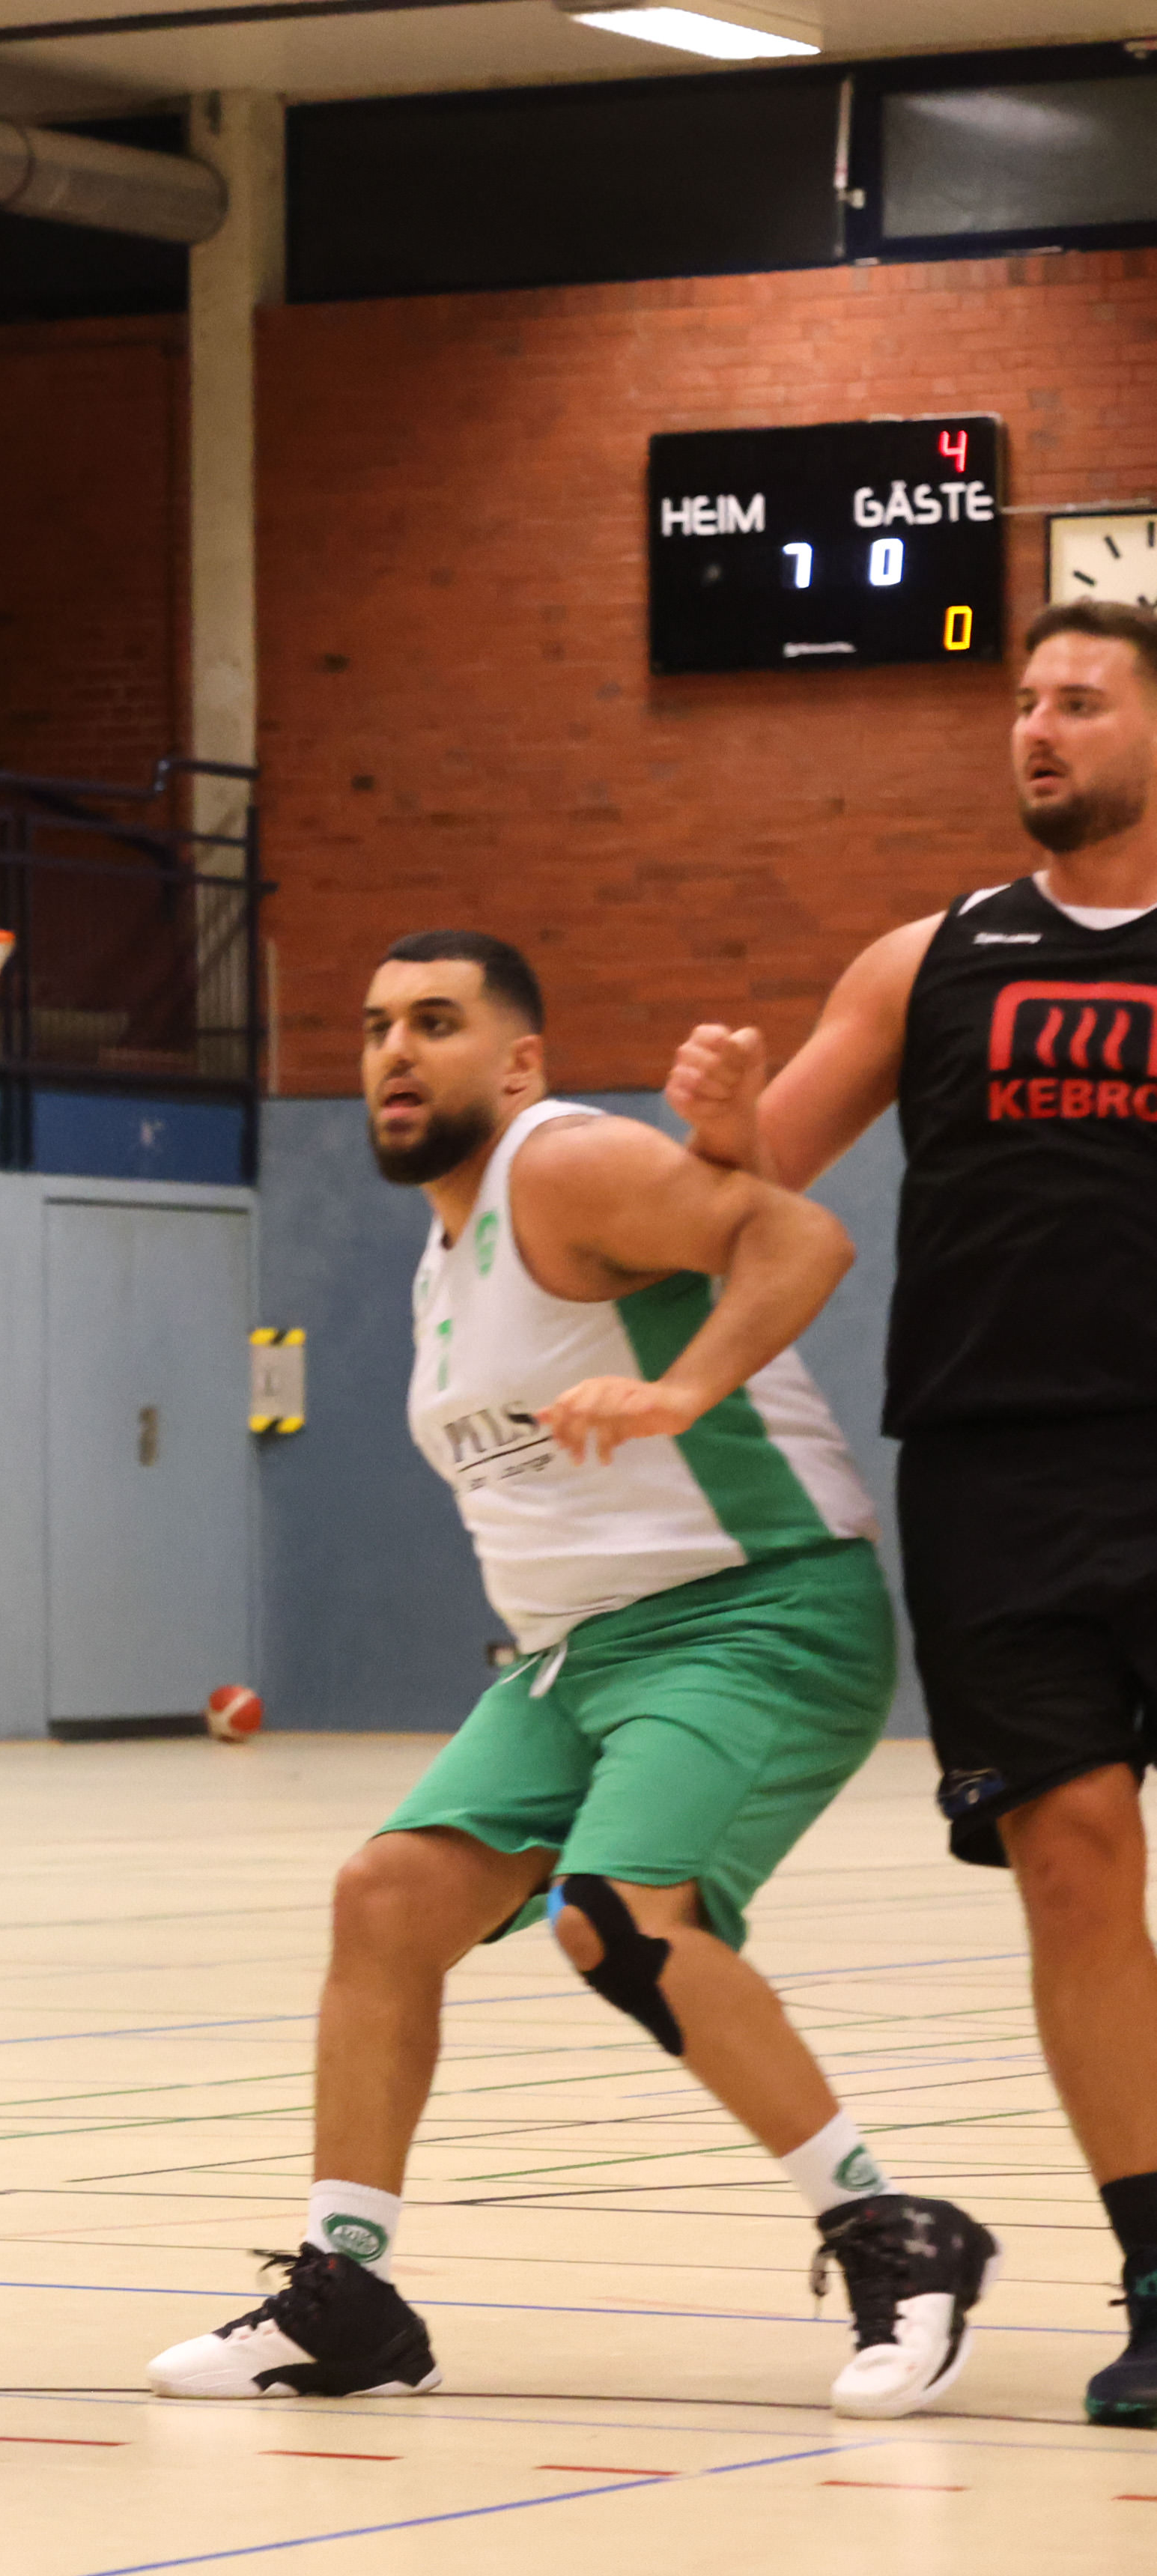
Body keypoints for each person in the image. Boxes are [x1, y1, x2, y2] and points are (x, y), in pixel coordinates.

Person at [145, 931, 998, 2417]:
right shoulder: (443, 1250)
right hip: (578, 1656)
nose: (393, 1050)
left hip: (751, 1610)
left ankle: (892, 2231)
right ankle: (346, 2291)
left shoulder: (560, 1163)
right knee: (385, 1898)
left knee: (615, 1919)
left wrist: (681, 1386)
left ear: (519, 1060)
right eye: (372, 1025)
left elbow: (798, 1238)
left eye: (434, 1021)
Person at [666, 599, 1157, 2428]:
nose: (1036, 727)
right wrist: (718, 1119)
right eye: (1022, 700)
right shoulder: (926, 957)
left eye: (1078, 701)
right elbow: (752, 1181)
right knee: (1072, 1855)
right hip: (995, 1471)